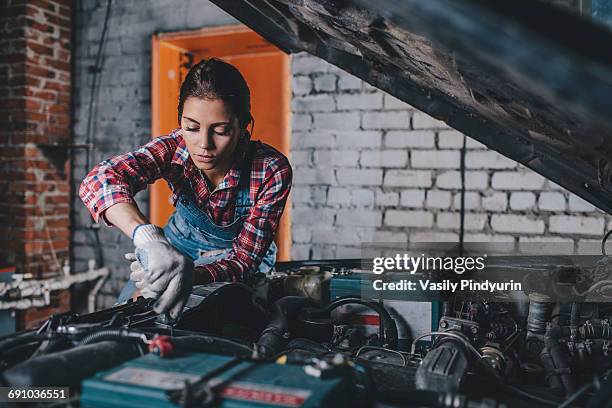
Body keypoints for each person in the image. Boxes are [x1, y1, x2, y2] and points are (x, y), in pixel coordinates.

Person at [79, 58, 292, 320]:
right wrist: (149, 239)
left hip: (237, 256)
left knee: (208, 319)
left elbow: (244, 260)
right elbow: (100, 179)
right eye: (191, 127)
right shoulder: (174, 148)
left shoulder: (271, 170)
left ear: (243, 126)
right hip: (178, 244)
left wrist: (192, 274)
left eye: (221, 130)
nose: (204, 144)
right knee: (129, 312)